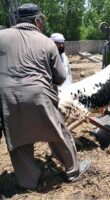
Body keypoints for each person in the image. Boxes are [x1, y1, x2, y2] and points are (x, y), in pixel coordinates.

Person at [0, 3, 90, 189]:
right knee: (58, 132)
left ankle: (29, 182)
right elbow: (60, 77)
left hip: (7, 99)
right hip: (39, 96)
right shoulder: (46, 42)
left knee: (18, 139)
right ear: (37, 21)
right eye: (42, 20)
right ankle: (73, 170)